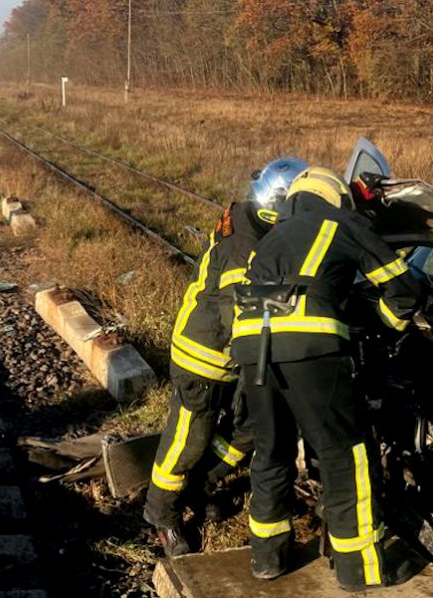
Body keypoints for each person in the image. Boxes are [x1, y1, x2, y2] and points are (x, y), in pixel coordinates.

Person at [231, 167, 422, 591]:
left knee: (271, 450)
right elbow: (404, 289)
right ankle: (361, 570)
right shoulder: (342, 221)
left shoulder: (276, 235)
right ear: (335, 197)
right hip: (309, 348)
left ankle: (268, 558)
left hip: (249, 344)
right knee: (345, 454)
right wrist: (385, 325)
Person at [144, 157, 309, 557]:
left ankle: (201, 487)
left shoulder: (255, 227)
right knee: (188, 439)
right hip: (203, 355)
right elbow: (239, 309)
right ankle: (161, 514)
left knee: (248, 427)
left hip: (234, 359)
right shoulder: (244, 245)